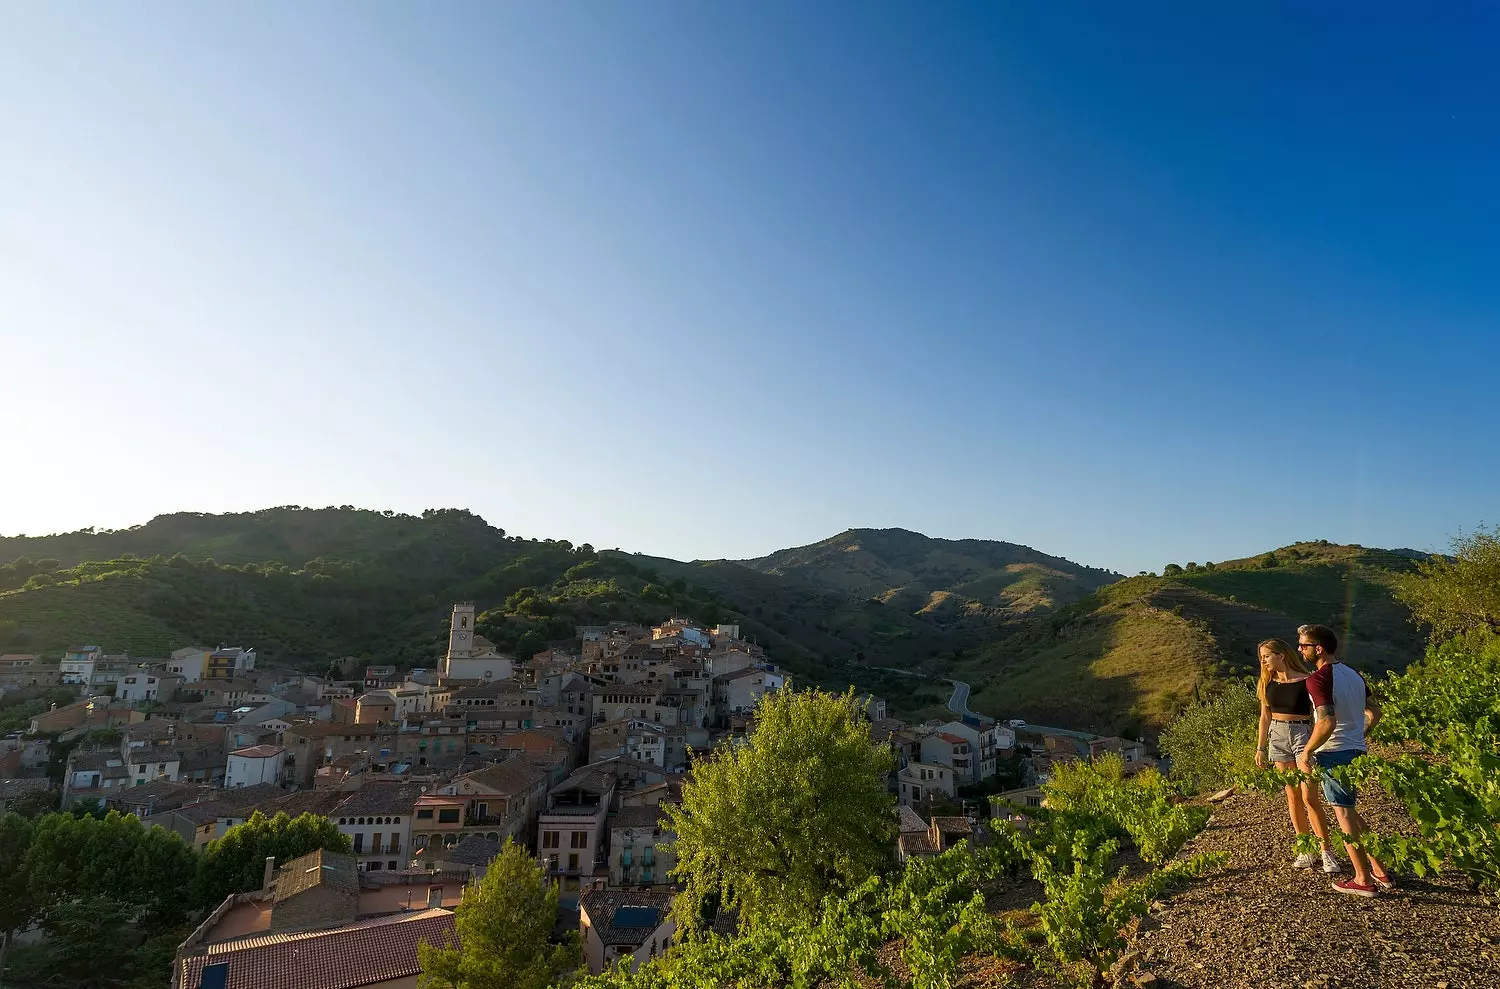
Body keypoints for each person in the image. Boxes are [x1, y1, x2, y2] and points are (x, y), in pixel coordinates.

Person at [1295, 623, 1394, 897]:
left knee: (1343, 814)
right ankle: (1379, 869)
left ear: (1319, 648)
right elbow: (1375, 710)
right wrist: (1361, 732)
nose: (1299, 650)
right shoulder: (1354, 675)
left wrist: (1307, 752)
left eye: (1303, 645)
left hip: (1334, 752)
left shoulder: (1318, 679)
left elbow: (1326, 721)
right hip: (1356, 750)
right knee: (1349, 810)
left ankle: (1362, 879)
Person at [1253, 638, 1339, 873]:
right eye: (1262, 657)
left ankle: (1326, 851)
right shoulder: (1266, 683)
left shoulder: (1307, 680)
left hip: (1303, 734)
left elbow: (1322, 712)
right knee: (1292, 797)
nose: (1263, 661)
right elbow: (1265, 717)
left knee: (1310, 796)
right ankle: (1306, 849)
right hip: (1278, 737)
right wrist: (1260, 747)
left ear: (1281, 655)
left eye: (1267, 656)